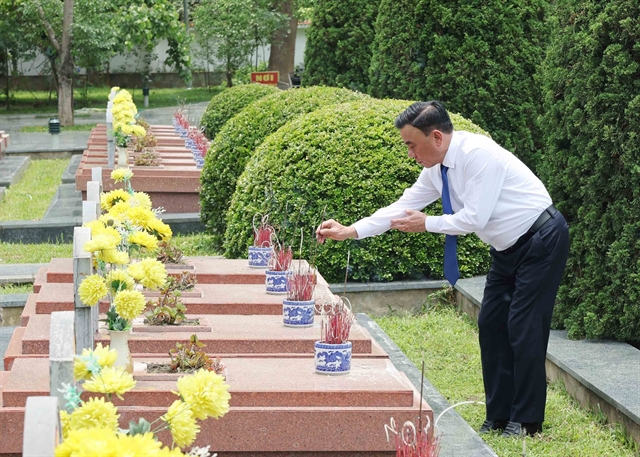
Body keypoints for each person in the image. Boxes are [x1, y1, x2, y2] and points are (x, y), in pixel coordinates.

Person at [315, 100, 569, 437]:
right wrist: (351, 230)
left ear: (436, 137)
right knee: (491, 323)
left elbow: (474, 218)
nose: (410, 154)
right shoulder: (438, 169)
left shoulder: (478, 155)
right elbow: (403, 206)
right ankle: (498, 415)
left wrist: (427, 223)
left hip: (540, 238)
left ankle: (526, 421)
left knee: (524, 326)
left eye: (411, 145)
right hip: (505, 248)